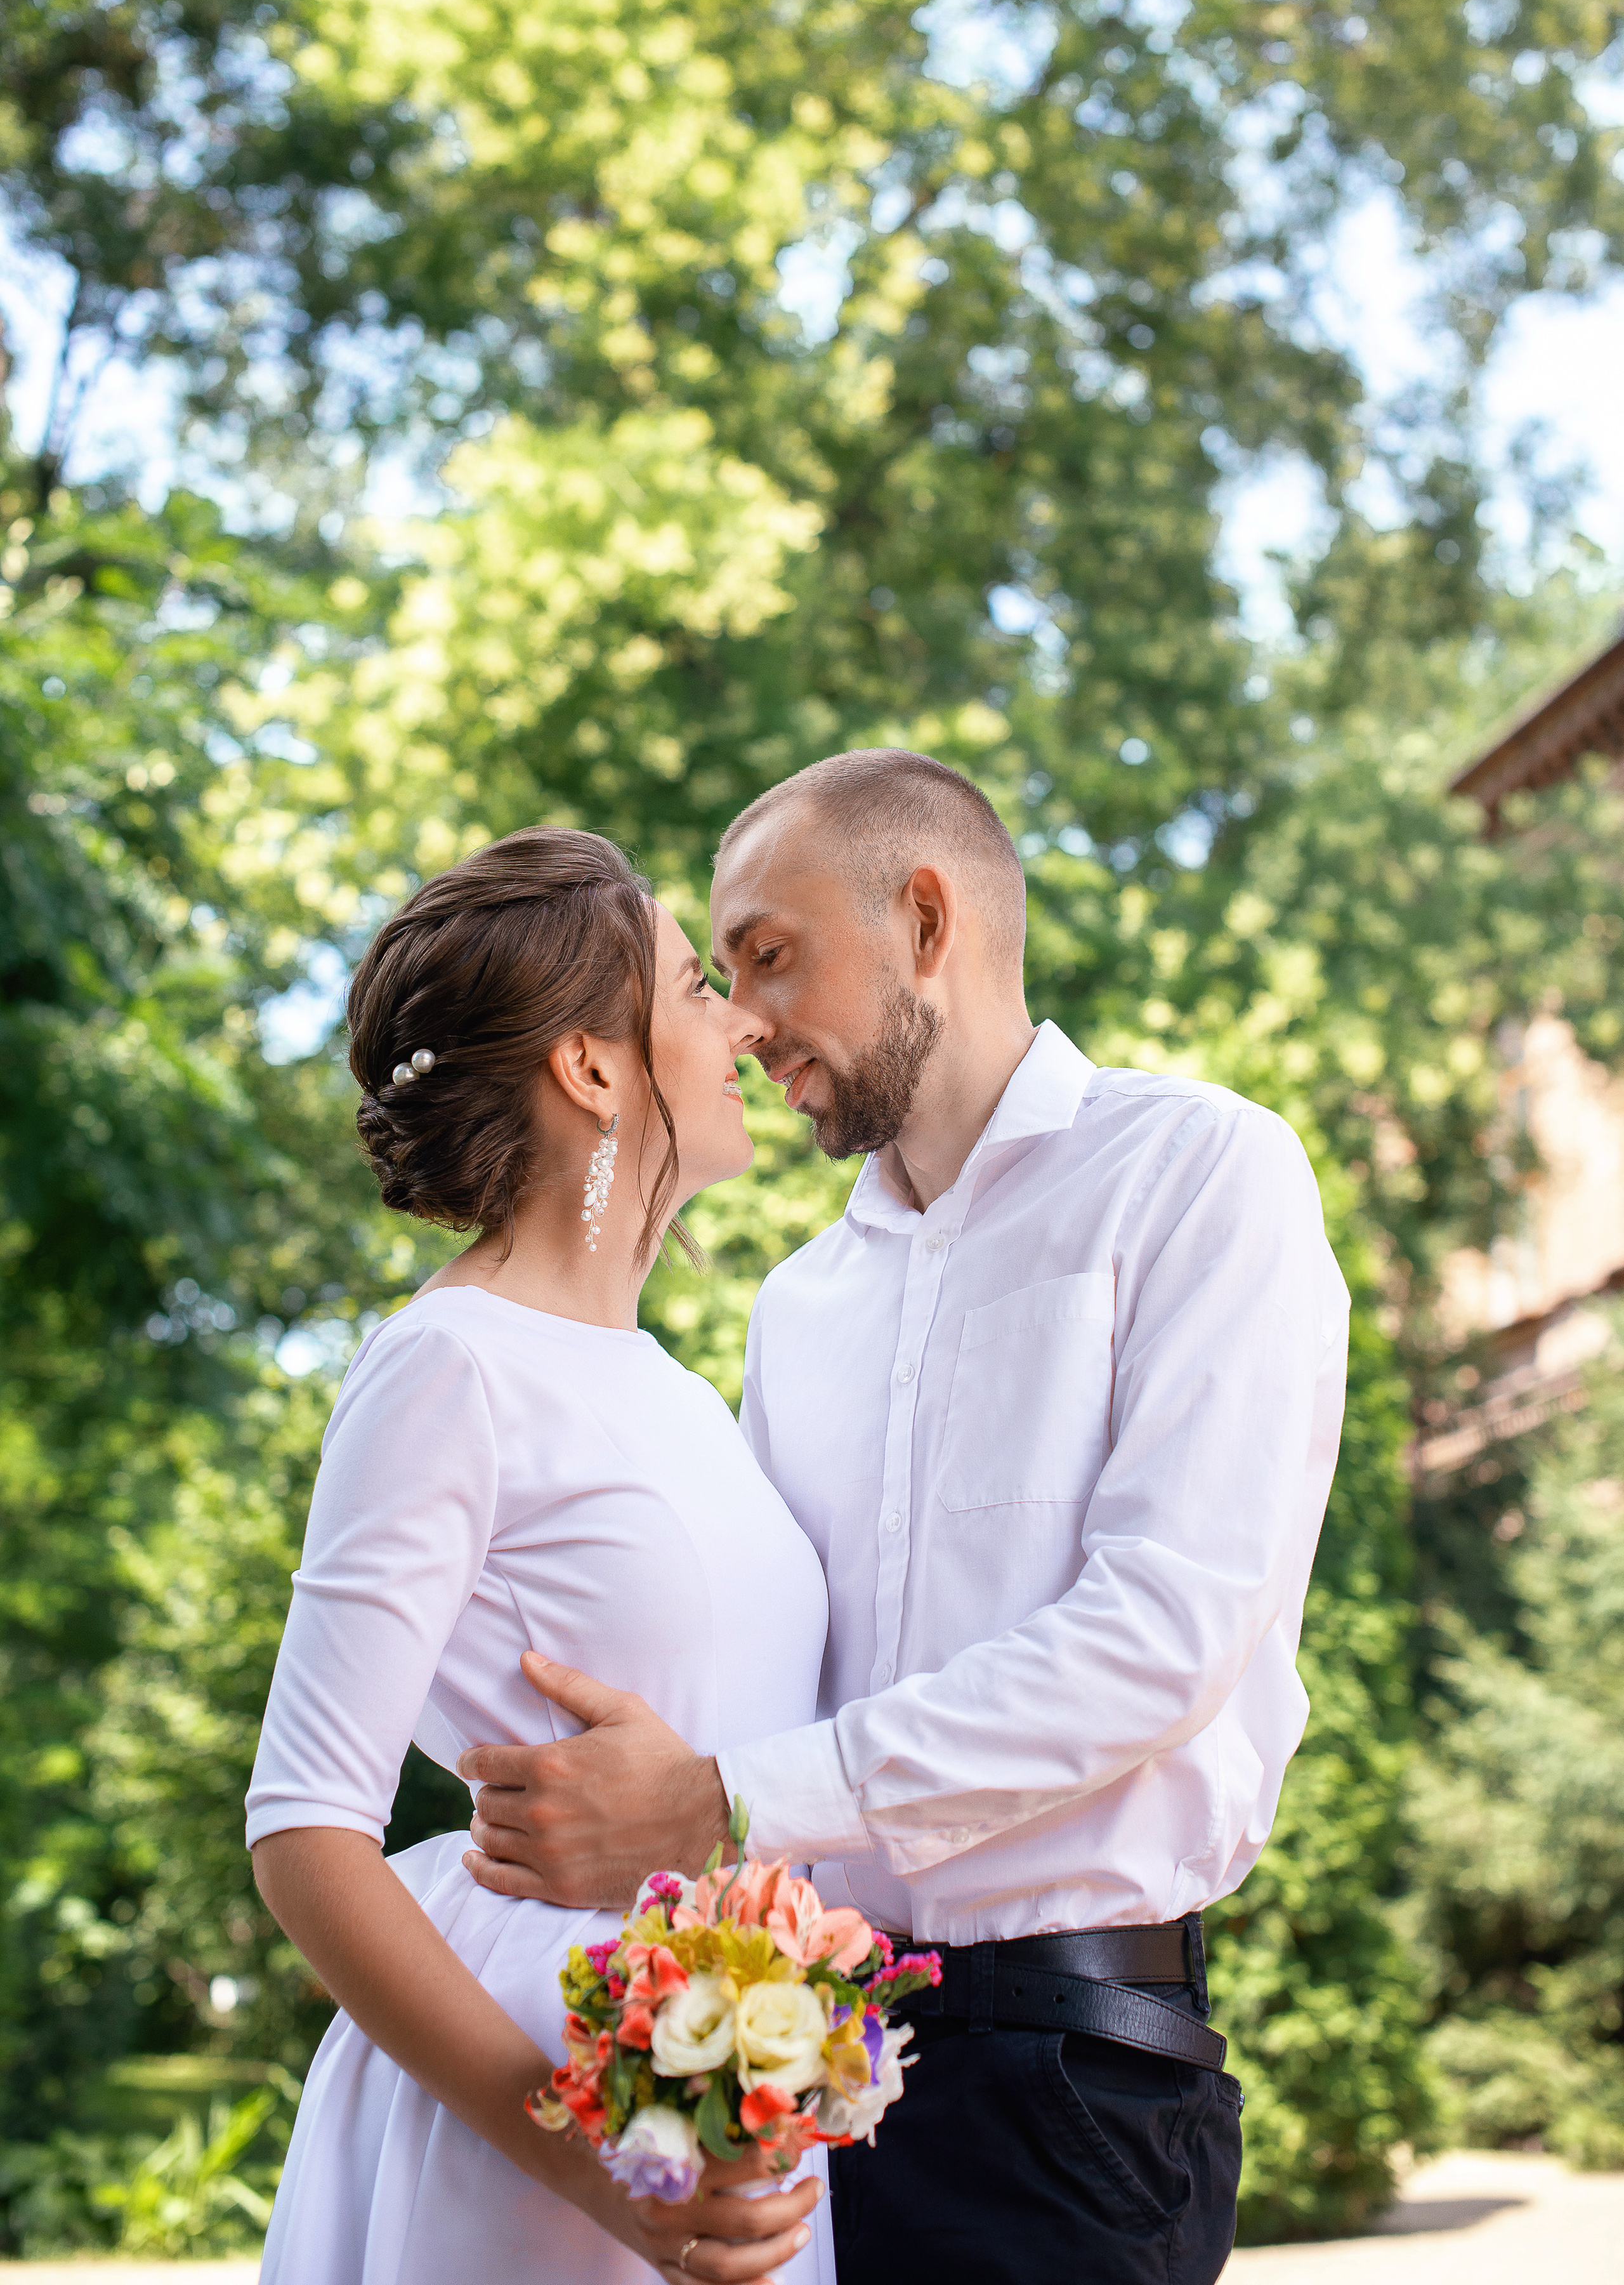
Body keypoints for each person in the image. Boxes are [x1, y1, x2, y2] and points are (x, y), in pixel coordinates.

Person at [457, 751, 1350, 2285]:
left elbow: (1162, 1636)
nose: (736, 1022)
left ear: (924, 920)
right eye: (723, 972)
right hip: (792, 2087)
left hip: (1069, 2098)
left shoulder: (1201, 1174)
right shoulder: (796, 1308)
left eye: (768, 954)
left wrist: (726, 1797)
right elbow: (759, 1674)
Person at [246, 827, 832, 2285]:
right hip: (542, 2103)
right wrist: (592, 2165)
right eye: (697, 987)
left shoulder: (681, 1390)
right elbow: (304, 1831)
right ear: (591, 1066)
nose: (743, 1024)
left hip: (727, 2076)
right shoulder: (448, 1366)